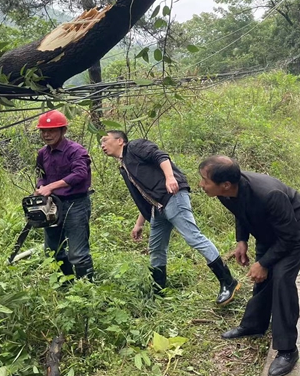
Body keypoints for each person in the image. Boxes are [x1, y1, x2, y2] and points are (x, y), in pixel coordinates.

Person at [198, 156, 300, 376]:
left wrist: (263, 263)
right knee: (262, 277)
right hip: (268, 228)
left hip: (297, 227)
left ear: (225, 184)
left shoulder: (267, 194)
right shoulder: (225, 193)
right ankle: (254, 325)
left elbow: (289, 237)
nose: (201, 185)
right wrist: (241, 240)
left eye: (205, 180)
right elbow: (240, 212)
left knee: (281, 278)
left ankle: (287, 349)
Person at [99, 131, 239, 306]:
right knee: (156, 247)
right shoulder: (124, 165)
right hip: (157, 208)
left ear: (120, 141)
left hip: (173, 196)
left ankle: (227, 281)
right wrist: (139, 224)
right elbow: (145, 195)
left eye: (105, 140)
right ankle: (158, 291)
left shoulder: (134, 147)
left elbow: (161, 156)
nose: (102, 145)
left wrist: (170, 177)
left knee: (193, 237)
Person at [35, 110, 94, 280]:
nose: (47, 135)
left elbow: (80, 174)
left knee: (78, 251)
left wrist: (51, 186)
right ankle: (67, 284)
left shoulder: (75, 151)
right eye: (44, 131)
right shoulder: (42, 153)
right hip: (51, 204)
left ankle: (87, 289)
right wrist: (41, 187)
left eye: (52, 130)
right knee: (53, 249)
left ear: (63, 131)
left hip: (75, 204)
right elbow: (41, 174)